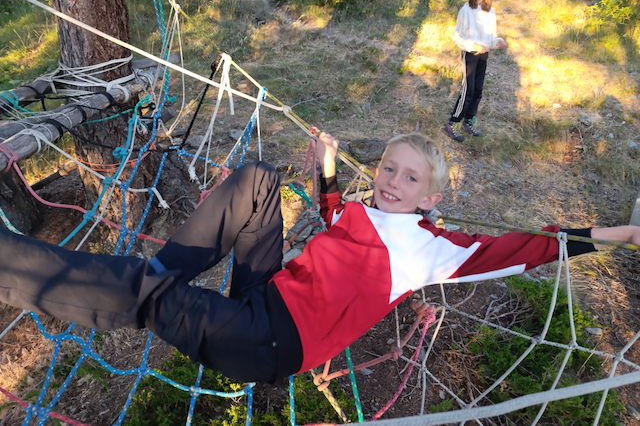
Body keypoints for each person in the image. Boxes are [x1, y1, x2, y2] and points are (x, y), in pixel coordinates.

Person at [1, 132, 639, 384]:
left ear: (433, 197)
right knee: (257, 181)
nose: (392, 182)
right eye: (388, 168)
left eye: (410, 178)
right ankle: (163, 278)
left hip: (269, 342)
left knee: (144, 291)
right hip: (266, 294)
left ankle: (22, 268)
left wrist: (619, 234)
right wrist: (328, 169)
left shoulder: (433, 250)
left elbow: (531, 247)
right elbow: (337, 216)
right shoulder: (367, 211)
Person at [445, 0, 508, 142]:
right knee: (468, 90)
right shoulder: (466, 10)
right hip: (470, 54)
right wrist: (473, 45)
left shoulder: (490, 11)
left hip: (483, 55)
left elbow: (490, 38)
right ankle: (452, 122)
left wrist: (497, 42)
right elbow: (457, 37)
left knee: (478, 90)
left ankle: (468, 122)